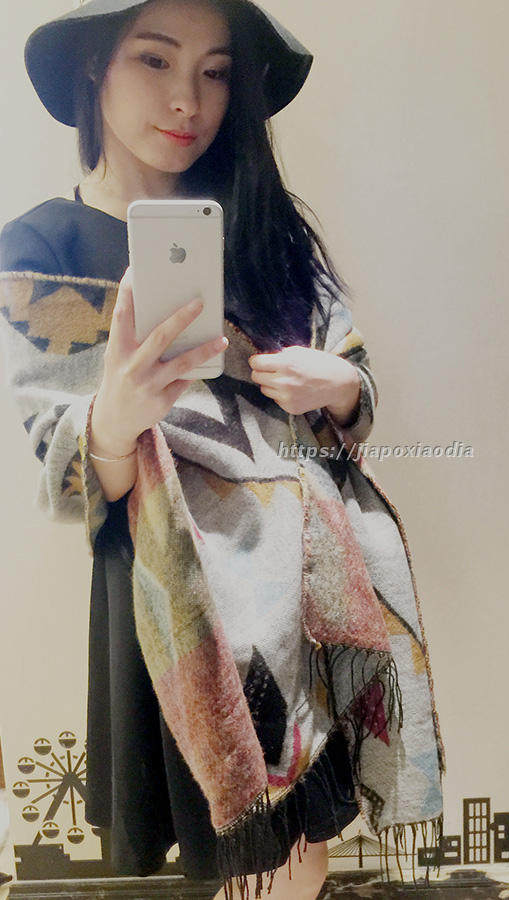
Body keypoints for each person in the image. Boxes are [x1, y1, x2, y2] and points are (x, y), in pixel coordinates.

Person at [0, 1, 446, 898]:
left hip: (298, 582)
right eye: (155, 61)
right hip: (174, 592)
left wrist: (337, 385)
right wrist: (116, 417)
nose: (188, 100)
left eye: (215, 72)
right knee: (233, 845)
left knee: (297, 845)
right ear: (94, 66)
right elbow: (74, 479)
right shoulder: (44, 248)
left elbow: (353, 399)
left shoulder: (265, 226)